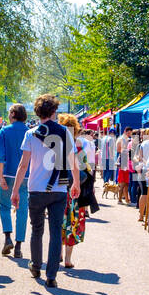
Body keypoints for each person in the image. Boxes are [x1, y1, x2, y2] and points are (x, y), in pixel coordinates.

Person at [11, 94, 80, 288]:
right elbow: (73, 160)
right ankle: (51, 275)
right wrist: (76, 183)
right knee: (56, 232)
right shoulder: (65, 132)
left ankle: (35, 265)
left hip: (36, 189)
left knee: (37, 230)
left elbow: (23, 166)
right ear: (53, 111)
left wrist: (15, 191)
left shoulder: (31, 134)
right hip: (59, 188)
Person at [0, 104, 30, 258]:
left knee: (4, 206)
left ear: (14, 114)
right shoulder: (30, 132)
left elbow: (0, 155)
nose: (8, 115)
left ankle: (7, 236)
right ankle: (18, 245)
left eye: (10, 112)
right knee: (22, 210)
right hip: (26, 176)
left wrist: (1, 176)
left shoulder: (4, 131)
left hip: (9, 173)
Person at [59, 114, 91, 269]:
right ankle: (67, 259)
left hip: (59, 187)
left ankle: (57, 253)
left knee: (58, 221)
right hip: (75, 190)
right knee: (73, 222)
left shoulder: (57, 144)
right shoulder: (78, 145)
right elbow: (86, 168)